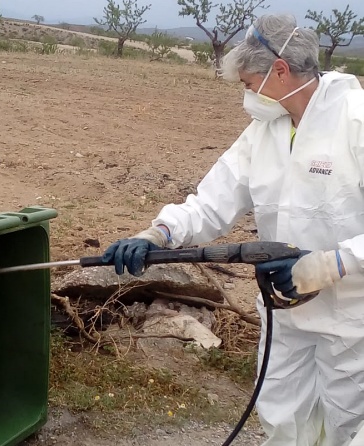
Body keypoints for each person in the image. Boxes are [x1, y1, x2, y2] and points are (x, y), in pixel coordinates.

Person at [102, 13, 364, 446]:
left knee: (348, 424)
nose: (247, 94)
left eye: (248, 82)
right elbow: (211, 201)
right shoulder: (264, 132)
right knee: (282, 418)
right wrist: (159, 233)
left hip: (352, 318)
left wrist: (329, 265)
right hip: (286, 311)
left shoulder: (355, 121)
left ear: (280, 71)